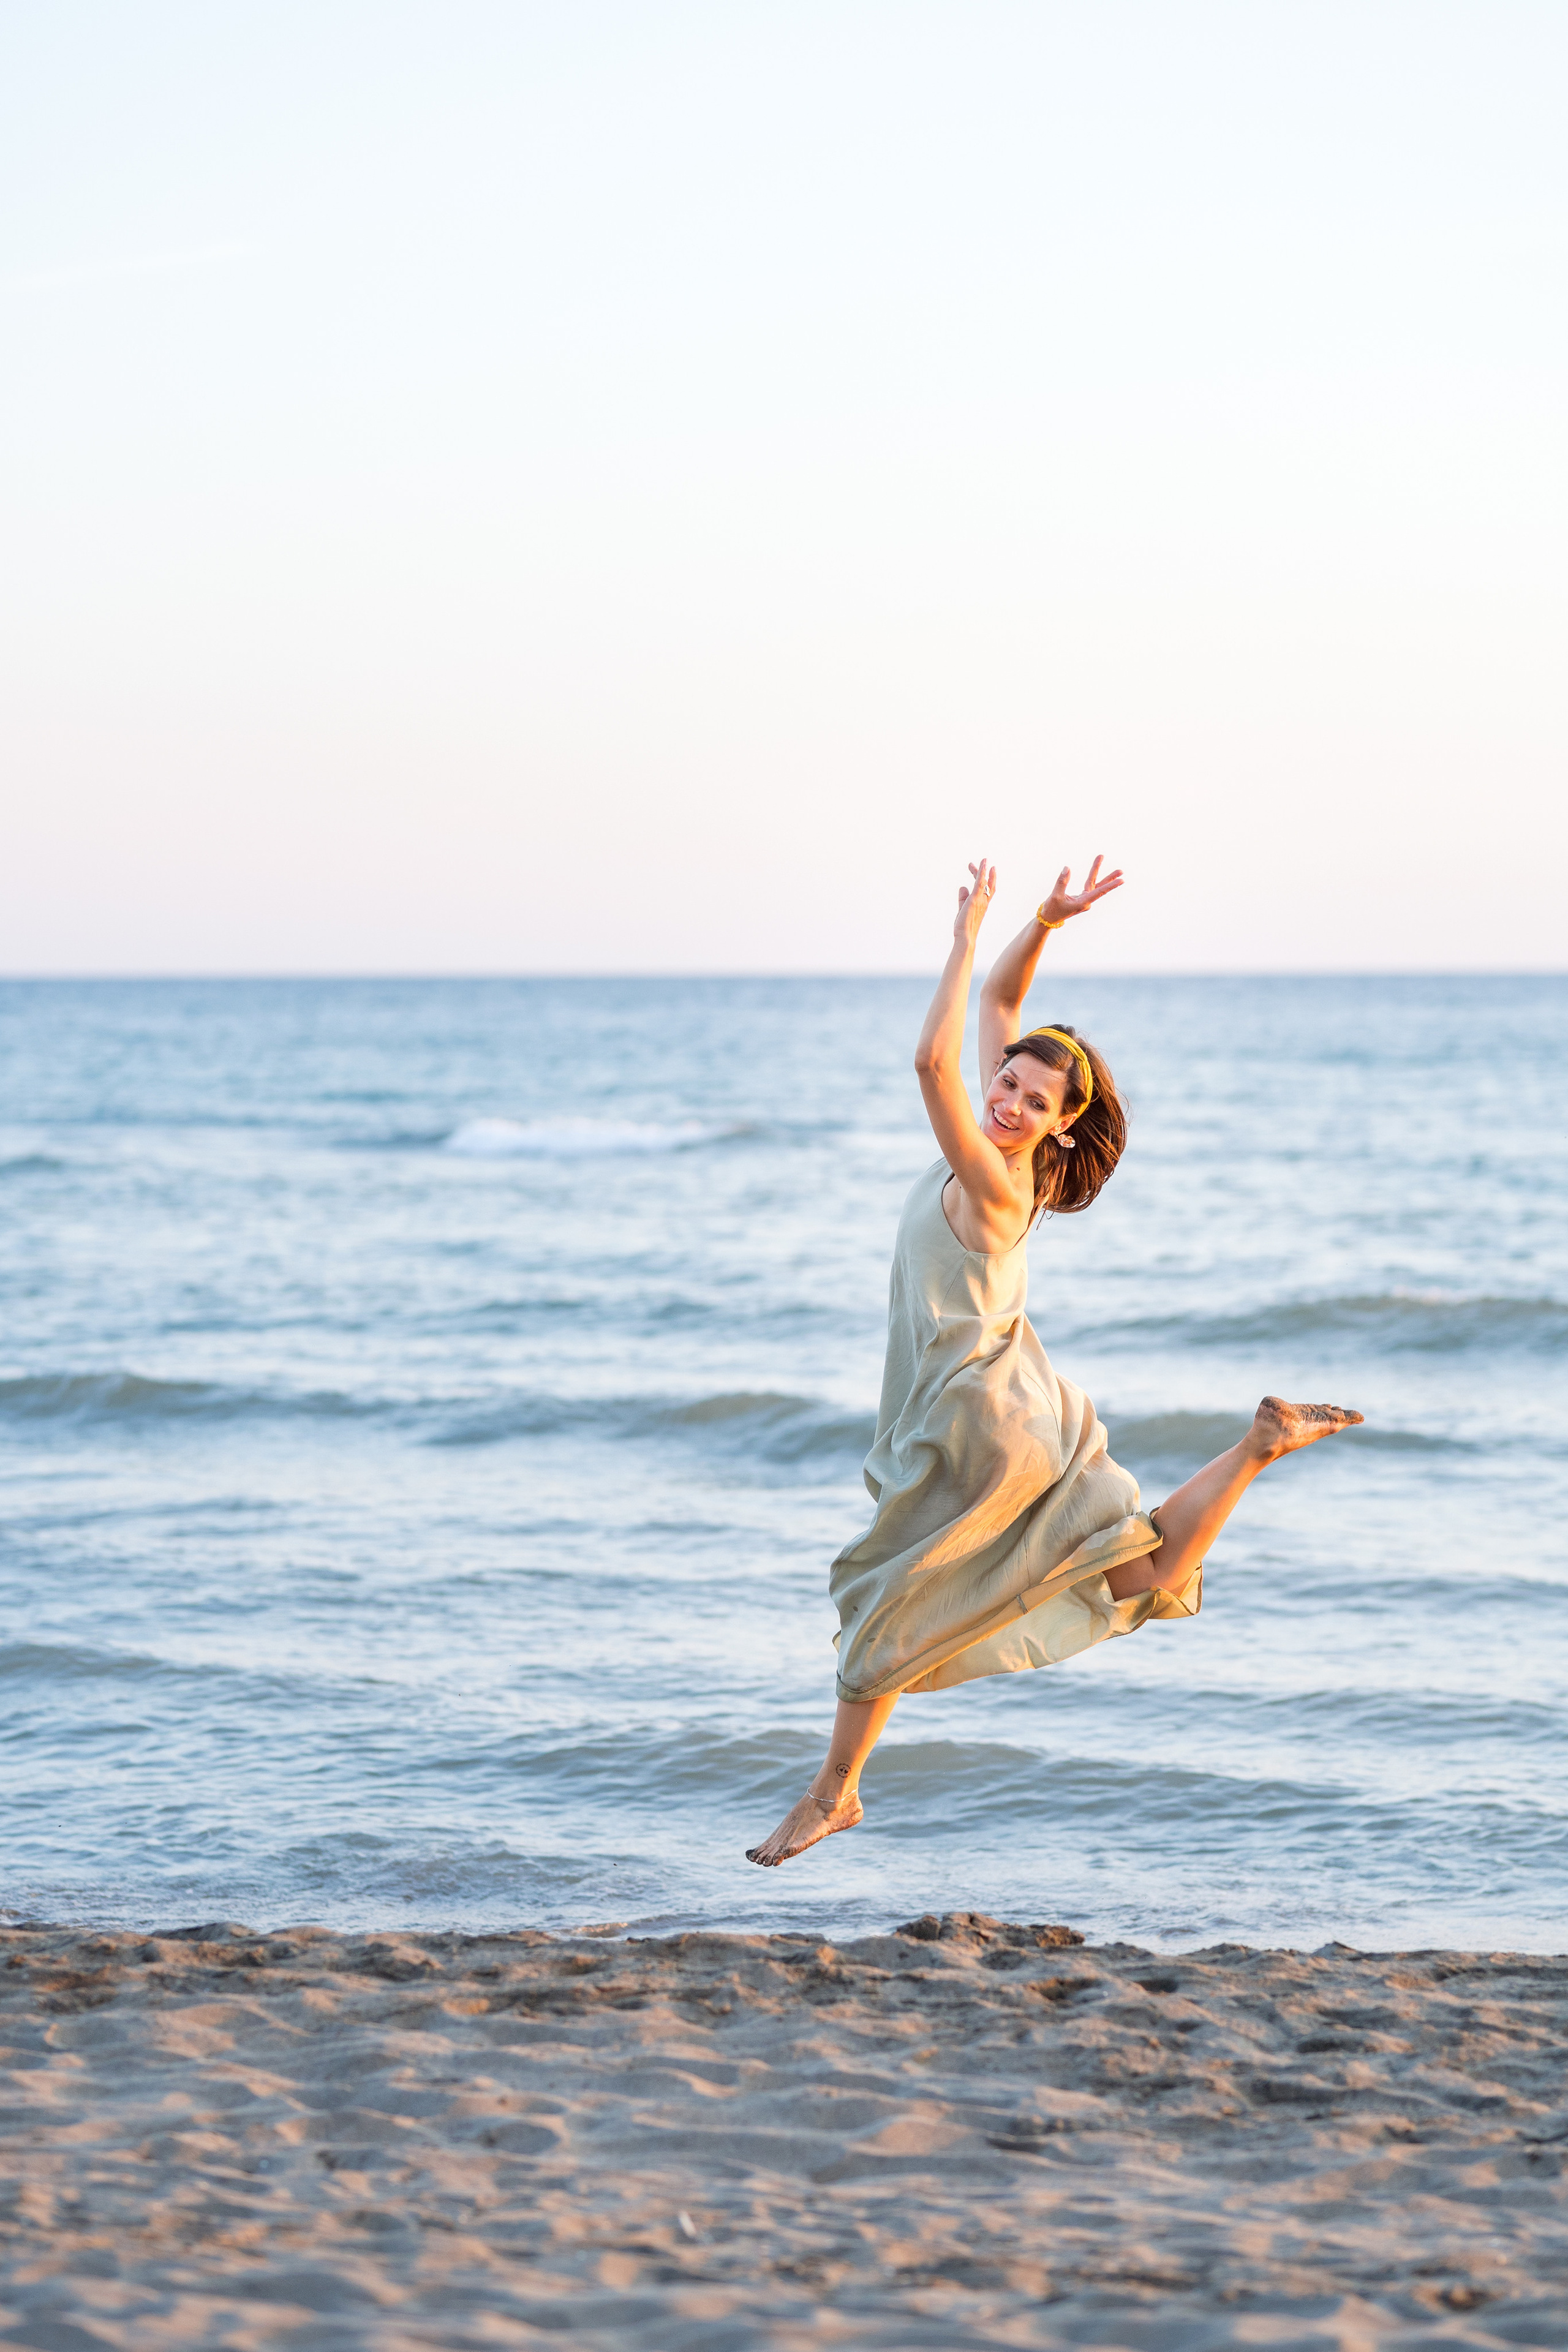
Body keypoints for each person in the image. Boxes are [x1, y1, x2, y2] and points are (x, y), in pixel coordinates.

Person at [746, 855, 1362, 1869]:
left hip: (975, 1423)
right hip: (1021, 1407)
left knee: (880, 1608)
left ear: (1060, 1123)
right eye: (1008, 1080)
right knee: (1144, 1569)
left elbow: (929, 1065)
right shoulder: (1017, 1161)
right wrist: (1041, 921)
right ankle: (1259, 1446)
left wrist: (960, 932)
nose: (1007, 1100)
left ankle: (834, 1795)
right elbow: (1002, 1001)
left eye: (1033, 1099)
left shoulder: (990, 1180)